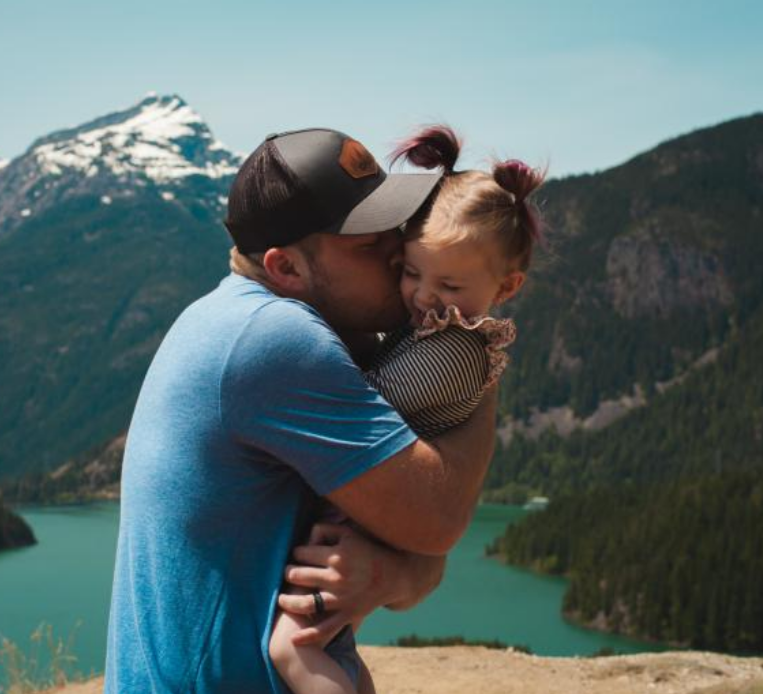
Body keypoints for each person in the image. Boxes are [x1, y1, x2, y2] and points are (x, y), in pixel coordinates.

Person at [104, 127, 500, 693]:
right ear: (286, 267)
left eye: (393, 225)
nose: (398, 251)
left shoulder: (229, 315)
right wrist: (478, 344)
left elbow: (420, 553)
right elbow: (436, 519)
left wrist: (388, 574)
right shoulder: (275, 340)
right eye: (367, 242)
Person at [268, 125, 545, 694]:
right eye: (410, 272)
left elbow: (367, 400)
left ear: (507, 286)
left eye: (447, 284)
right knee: (331, 643)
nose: (421, 295)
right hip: (375, 512)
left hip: (365, 516)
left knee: (293, 645)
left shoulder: (452, 349)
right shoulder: (442, 328)